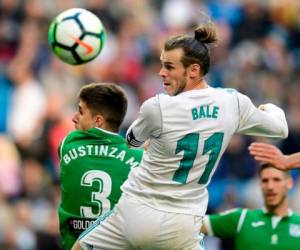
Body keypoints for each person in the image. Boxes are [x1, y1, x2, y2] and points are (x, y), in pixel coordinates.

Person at [73, 20, 288, 250]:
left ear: (194, 70)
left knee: (79, 247)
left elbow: (132, 141)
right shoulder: (233, 103)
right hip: (182, 225)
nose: (161, 73)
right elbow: (280, 129)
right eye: (162, 65)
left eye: (169, 67)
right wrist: (268, 107)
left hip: (134, 213)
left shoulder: (157, 107)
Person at [58, 82, 143, 250]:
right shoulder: (139, 159)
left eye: (81, 112)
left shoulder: (68, 144)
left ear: (98, 121)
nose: (74, 118)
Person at [201, 163, 300, 250]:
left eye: (276, 180)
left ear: (289, 183)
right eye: (265, 181)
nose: (270, 186)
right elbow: (192, 224)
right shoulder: (242, 218)